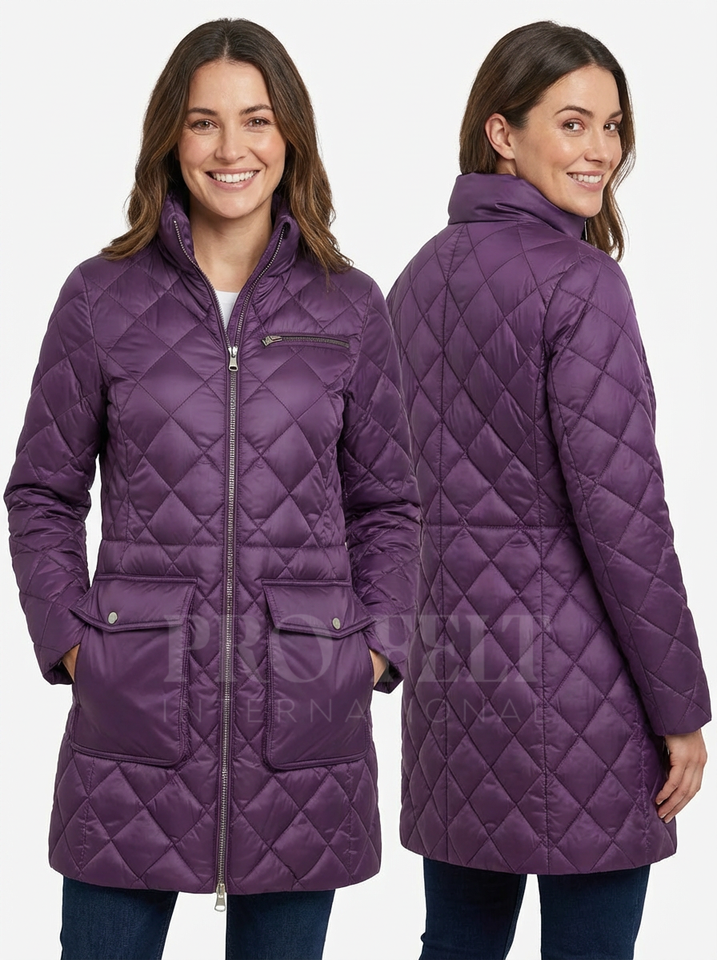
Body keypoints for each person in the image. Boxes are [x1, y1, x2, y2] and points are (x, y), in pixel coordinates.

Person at [5, 17, 419, 960]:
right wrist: (72, 645)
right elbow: (42, 494)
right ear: (171, 137)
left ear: (290, 136)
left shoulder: (349, 305)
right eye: (204, 122)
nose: (231, 149)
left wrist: (371, 652)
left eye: (255, 120)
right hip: (131, 715)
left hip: (303, 719)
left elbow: (388, 505)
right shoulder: (99, 297)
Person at [388, 20, 710, 960]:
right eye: (571, 124)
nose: (600, 149)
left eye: (611, 126)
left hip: (457, 679)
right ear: (502, 132)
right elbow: (626, 521)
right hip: (580, 697)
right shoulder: (580, 285)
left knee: (456, 943)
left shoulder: (416, 279)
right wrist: (680, 709)